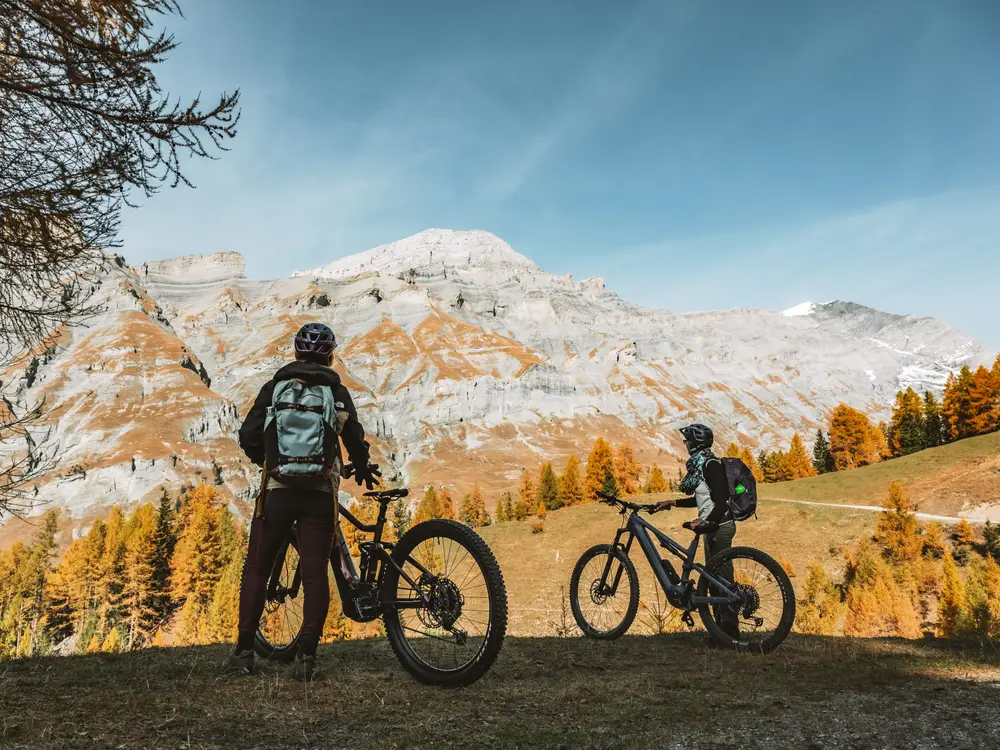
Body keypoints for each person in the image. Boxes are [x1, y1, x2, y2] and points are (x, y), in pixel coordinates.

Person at [225, 322, 380, 681]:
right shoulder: (335, 390)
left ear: (295, 353)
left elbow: (249, 435)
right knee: (314, 574)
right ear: (330, 355)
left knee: (257, 569)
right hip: (319, 495)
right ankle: (307, 659)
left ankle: (243, 654)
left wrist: (267, 462)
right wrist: (358, 465)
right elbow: (354, 437)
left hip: (277, 493)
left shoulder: (275, 387)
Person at [653, 423, 740, 640]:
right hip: (712, 526)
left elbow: (721, 501)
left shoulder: (711, 465)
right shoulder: (702, 466)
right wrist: (672, 502)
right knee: (713, 579)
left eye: (687, 441)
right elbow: (701, 498)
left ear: (695, 443)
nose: (685, 444)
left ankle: (730, 631)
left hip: (720, 526)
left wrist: (707, 523)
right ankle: (721, 631)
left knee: (723, 581)